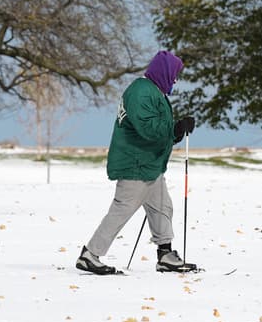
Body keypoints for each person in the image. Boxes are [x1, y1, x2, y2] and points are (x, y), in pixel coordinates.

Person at [76, 50, 197, 275]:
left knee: (162, 207)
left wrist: (176, 131)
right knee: (122, 209)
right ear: (164, 71)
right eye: (174, 74)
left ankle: (166, 255)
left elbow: (159, 129)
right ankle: (90, 255)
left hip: (149, 164)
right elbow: (148, 128)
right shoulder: (141, 92)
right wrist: (175, 128)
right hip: (136, 163)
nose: (175, 80)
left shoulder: (153, 92)